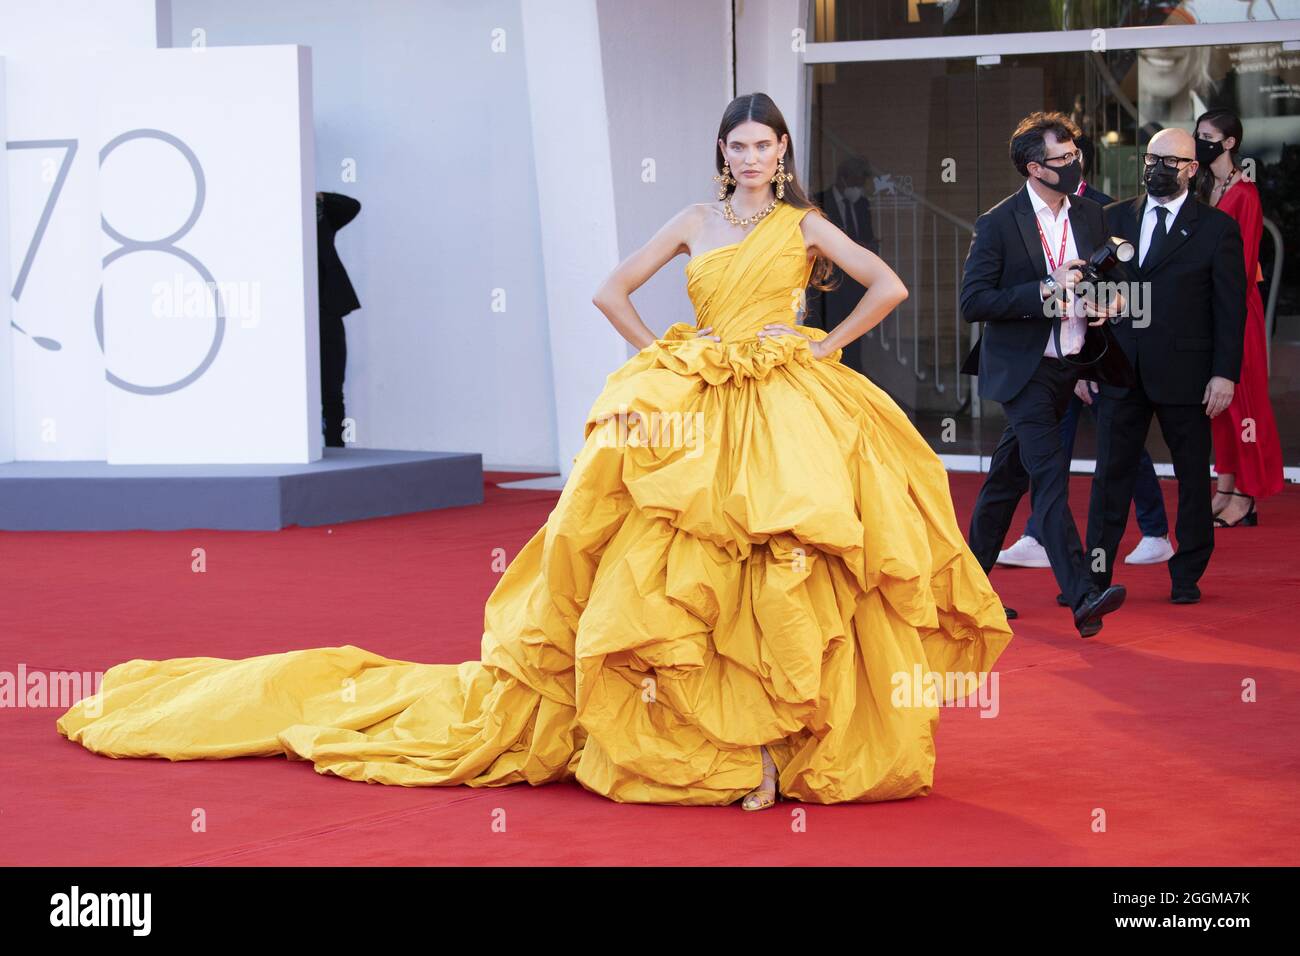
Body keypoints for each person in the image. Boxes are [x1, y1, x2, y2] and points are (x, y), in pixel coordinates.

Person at [55, 93, 1012, 813]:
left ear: (783, 152)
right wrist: (669, 354)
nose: (752, 157)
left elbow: (884, 283)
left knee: (790, 565)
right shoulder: (691, 220)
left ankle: (782, 741)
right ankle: (722, 745)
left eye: (765, 145)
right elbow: (610, 290)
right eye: (738, 144)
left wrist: (819, 342)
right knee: (673, 574)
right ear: (722, 153)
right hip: (693, 396)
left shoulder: (801, 225)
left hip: (784, 400)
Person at [960, 111, 1130, 638]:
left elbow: (1108, 280)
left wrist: (1112, 301)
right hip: (1024, 370)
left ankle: (963, 593)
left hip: (1072, 363)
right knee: (1050, 476)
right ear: (1035, 168)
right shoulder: (997, 223)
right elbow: (974, 302)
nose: (1075, 161)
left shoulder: (1089, 214)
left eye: (1075, 151)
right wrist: (1041, 290)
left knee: (1006, 482)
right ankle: (1083, 596)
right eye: (1063, 157)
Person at [1083, 127, 1246, 605]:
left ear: (1192, 170)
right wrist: (1088, 365)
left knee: (1192, 476)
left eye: (1169, 162)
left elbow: (1230, 309)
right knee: (1110, 474)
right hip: (1120, 369)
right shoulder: (1112, 217)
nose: (1157, 169)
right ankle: (1094, 576)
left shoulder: (1216, 229)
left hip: (1188, 374)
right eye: (1151, 159)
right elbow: (1094, 289)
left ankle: (1187, 573)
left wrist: (1225, 373)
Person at [997, 133, 1173, 569]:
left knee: (1120, 446)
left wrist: (1098, 348)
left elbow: (1129, 290)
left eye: (1070, 156)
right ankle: (1039, 534)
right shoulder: (1025, 213)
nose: (1066, 163)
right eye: (1060, 156)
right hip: (1049, 357)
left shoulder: (1100, 211)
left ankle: (1154, 529)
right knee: (1047, 445)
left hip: (1094, 353)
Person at [1194, 108, 1284, 527]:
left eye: (1208, 135)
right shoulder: (1202, 186)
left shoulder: (1244, 193)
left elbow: (1245, 265)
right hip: (1207, 307)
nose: (1201, 141)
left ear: (1229, 143)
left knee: (1245, 401)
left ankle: (1247, 494)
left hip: (1235, 307)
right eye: (1199, 134)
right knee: (1219, 405)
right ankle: (1226, 485)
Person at [807, 156, 878, 375]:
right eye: (856, 182)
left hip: (853, 283)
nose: (858, 188)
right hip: (825, 285)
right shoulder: (818, 202)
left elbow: (867, 238)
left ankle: (850, 375)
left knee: (853, 341)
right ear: (844, 178)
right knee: (822, 331)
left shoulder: (861, 204)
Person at [317, 191, 362, 447]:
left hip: (327, 310)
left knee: (332, 387)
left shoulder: (322, 219)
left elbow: (352, 206)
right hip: (290, 313)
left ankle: (337, 446)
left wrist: (321, 197)